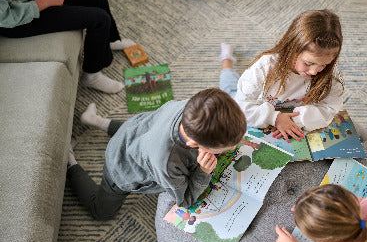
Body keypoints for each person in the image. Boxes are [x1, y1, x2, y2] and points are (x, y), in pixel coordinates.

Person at [67, 88, 247, 220]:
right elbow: (185, 200)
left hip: (135, 129)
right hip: (120, 168)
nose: (231, 150)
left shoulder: (195, 107)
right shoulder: (167, 164)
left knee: (132, 132)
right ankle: (69, 162)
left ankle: (96, 121)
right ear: (193, 144)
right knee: (101, 212)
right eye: (223, 149)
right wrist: (204, 172)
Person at [219, 9, 345, 143]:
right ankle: (226, 59)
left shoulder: (329, 74)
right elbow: (242, 105)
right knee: (229, 89)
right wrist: (275, 118)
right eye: (308, 63)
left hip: (285, 110)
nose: (314, 72)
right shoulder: (264, 67)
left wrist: (295, 119)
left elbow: (330, 108)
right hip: (258, 104)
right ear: (292, 48)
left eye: (323, 65)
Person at [0, 0, 135, 93]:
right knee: (100, 19)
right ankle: (91, 75)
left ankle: (109, 40)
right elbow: (9, 17)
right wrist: (45, 1)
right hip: (18, 22)